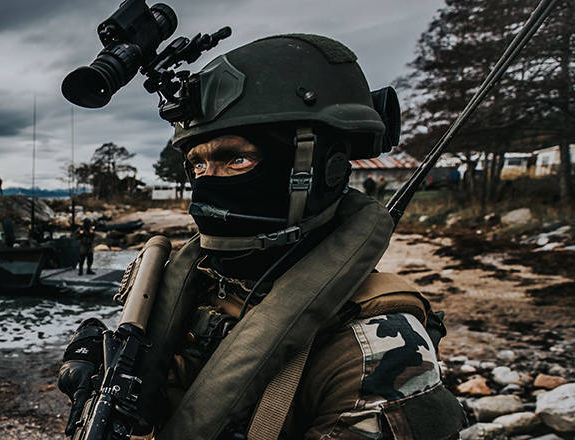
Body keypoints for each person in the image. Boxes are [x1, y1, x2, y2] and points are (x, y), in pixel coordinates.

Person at [60, 34, 465, 439]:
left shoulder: (376, 350)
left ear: (325, 167)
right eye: (197, 165)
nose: (208, 183)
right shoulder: (199, 280)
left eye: (236, 158)